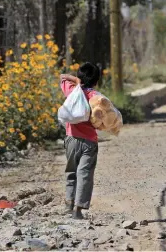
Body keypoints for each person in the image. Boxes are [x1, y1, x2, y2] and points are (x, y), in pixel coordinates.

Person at [60, 62, 100, 219]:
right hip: (89, 142)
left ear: (79, 77)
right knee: (84, 174)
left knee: (71, 171)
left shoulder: (72, 91)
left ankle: (68, 204)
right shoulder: (94, 96)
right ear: (96, 81)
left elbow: (62, 78)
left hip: (71, 139)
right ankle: (78, 209)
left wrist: (76, 81)